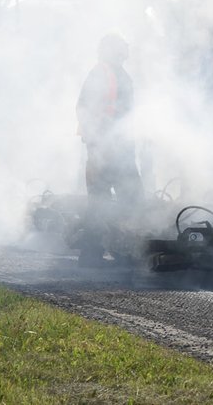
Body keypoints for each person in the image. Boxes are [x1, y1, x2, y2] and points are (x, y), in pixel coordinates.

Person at [76, 33, 143, 265]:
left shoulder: (118, 73)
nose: (126, 48)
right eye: (121, 46)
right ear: (112, 50)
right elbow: (85, 108)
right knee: (115, 200)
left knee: (117, 200)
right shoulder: (102, 73)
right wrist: (98, 143)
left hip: (117, 147)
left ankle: (111, 250)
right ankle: (96, 254)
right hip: (106, 149)